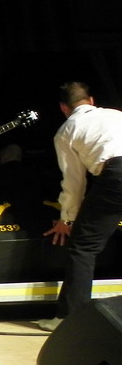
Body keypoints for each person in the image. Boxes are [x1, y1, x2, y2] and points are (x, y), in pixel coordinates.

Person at [38, 81, 122, 332]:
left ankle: (70, 322)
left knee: (83, 248)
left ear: (63, 107)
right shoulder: (116, 114)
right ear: (91, 101)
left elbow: (74, 182)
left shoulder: (67, 130)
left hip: (117, 175)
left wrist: (67, 219)